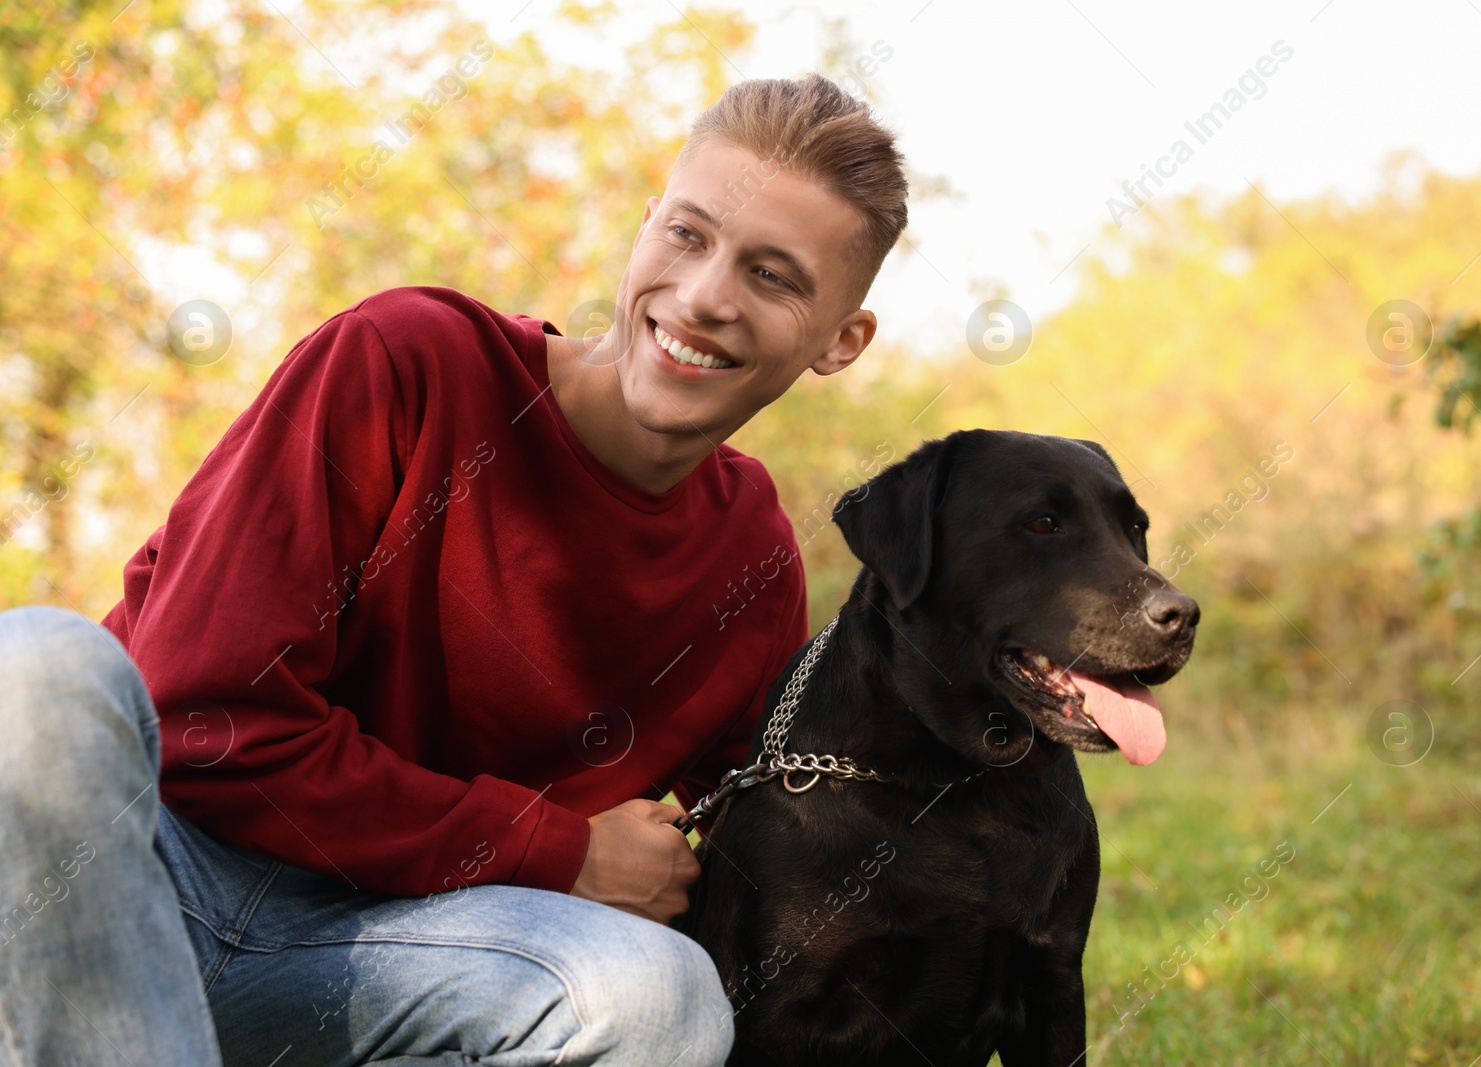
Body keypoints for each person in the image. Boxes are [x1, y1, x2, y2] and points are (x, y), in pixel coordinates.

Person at [0, 73, 908, 1066]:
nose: (703, 296)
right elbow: (199, 722)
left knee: (656, 997)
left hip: (393, 958)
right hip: (130, 887)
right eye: (687, 235)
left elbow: (692, 867)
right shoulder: (406, 361)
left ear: (842, 340)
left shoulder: (752, 560)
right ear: (646, 226)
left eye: (772, 275)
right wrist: (555, 848)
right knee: (36, 667)